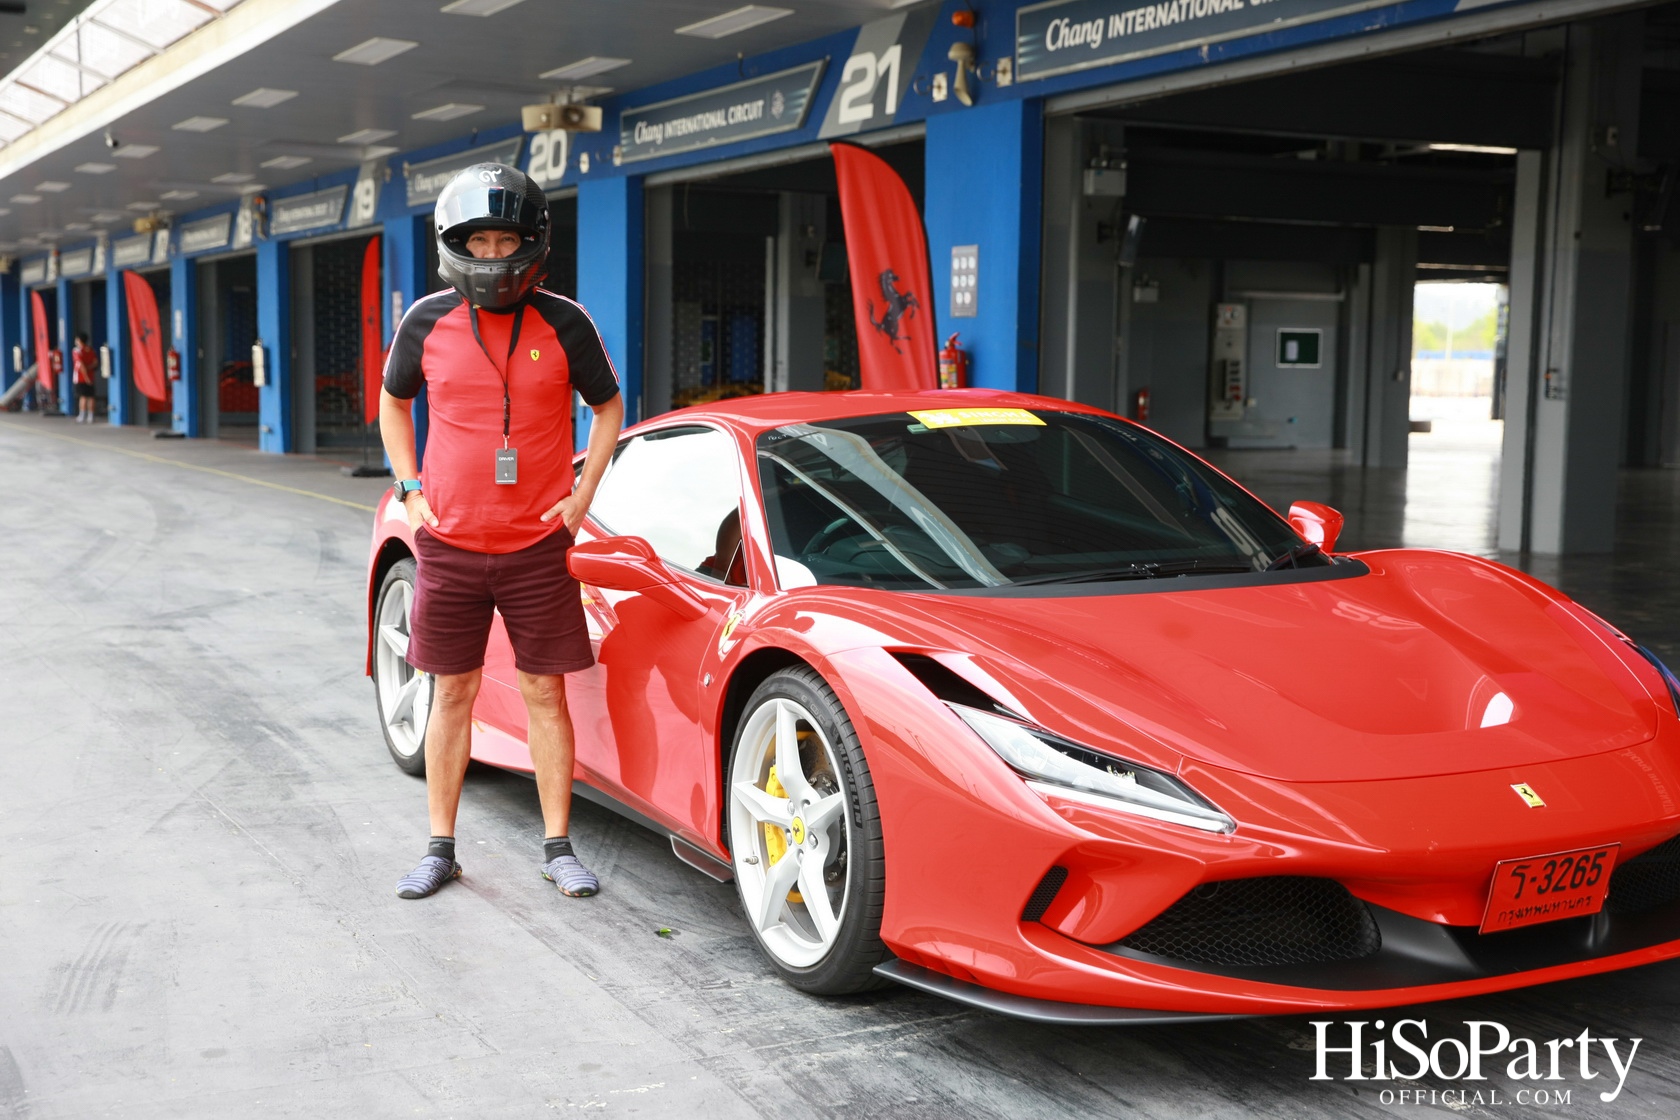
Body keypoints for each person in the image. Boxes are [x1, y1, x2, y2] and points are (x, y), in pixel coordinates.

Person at [378, 162, 624, 901]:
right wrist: (410, 491)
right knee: (449, 695)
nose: (491, 255)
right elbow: (393, 404)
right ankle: (440, 849)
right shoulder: (424, 321)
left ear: (532, 243)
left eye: (504, 240)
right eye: (478, 242)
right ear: (456, 245)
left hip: (536, 548)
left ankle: (558, 847)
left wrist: (583, 495)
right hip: (449, 547)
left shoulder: (566, 323)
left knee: (543, 694)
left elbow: (608, 408)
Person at [71, 333, 98, 423]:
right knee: (91, 396)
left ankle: (82, 415)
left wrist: (86, 377)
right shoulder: (90, 350)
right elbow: (95, 363)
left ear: (79, 340)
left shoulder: (77, 351)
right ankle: (91, 416)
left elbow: (81, 365)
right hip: (91, 377)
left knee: (83, 397)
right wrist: (89, 369)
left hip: (80, 378)